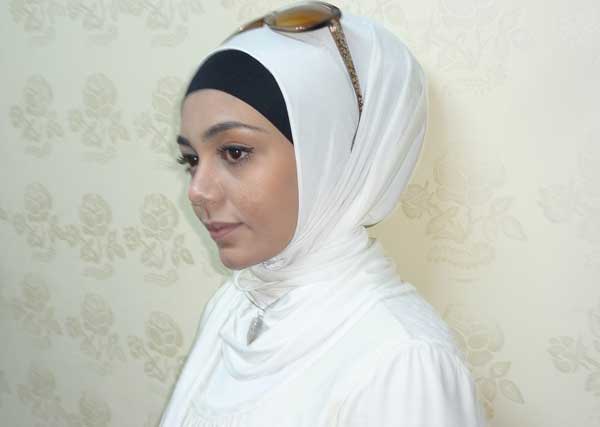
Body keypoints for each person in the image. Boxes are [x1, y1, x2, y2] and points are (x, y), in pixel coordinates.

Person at [160, 1, 486, 426]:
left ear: (329, 158)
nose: (198, 191)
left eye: (234, 152)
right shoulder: (237, 305)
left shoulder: (403, 363)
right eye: (191, 159)